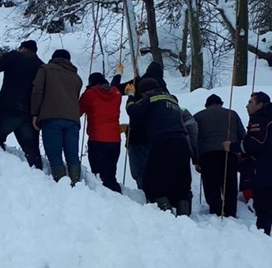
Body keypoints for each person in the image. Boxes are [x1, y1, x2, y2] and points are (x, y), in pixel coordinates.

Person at [224, 91, 272, 237]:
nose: (246, 106)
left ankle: (264, 241)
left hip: (265, 176)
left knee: (263, 211)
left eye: (250, 102)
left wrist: (231, 146)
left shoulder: (261, 121)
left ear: (260, 104)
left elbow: (253, 145)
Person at [127, 77, 192, 215]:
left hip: (163, 142)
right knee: (181, 181)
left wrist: (131, 96)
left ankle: (164, 211)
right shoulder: (172, 100)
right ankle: (183, 213)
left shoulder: (152, 98)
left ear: (146, 91)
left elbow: (133, 112)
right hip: (182, 143)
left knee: (152, 178)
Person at [0, 40, 43, 169]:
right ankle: (39, 175)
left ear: (22, 48)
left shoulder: (14, 56)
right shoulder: (40, 66)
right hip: (29, 113)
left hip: (9, 108)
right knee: (32, 151)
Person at [31, 49, 83, 184]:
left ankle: (61, 182)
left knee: (54, 154)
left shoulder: (45, 69)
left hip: (51, 116)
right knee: (72, 154)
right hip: (72, 120)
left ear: (54, 58)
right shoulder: (77, 78)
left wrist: (35, 113)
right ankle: (76, 183)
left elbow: (37, 90)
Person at [194, 94, 246, 217]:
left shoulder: (198, 116)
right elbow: (242, 135)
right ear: (220, 104)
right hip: (229, 154)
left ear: (207, 106)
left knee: (211, 183)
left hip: (207, 154)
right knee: (230, 184)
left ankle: (216, 211)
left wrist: (196, 160)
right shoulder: (232, 114)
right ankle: (230, 212)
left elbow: (194, 138)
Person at [122, 60, 169, 190]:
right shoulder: (164, 90)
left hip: (138, 134)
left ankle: (146, 196)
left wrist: (118, 74)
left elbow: (133, 110)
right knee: (158, 169)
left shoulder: (139, 82)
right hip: (159, 136)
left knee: (140, 170)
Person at [79, 71, 123, 193]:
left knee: (98, 176)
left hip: (97, 138)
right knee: (110, 174)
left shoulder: (90, 94)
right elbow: (115, 87)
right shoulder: (117, 93)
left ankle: (105, 201)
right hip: (115, 140)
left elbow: (78, 111)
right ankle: (117, 197)